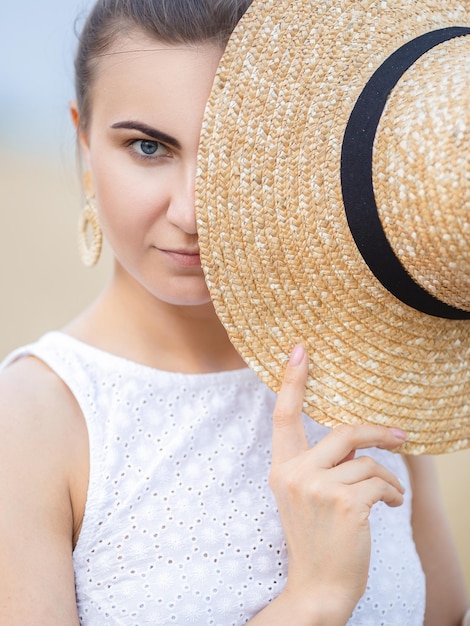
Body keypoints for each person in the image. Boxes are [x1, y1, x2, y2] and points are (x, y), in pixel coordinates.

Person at [0, 0, 468, 624]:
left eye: (228, 153)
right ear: (83, 142)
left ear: (290, 159)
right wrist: (315, 598)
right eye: (148, 147)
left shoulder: (365, 373)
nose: (191, 214)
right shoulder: (33, 423)